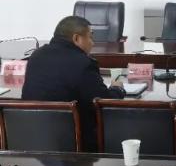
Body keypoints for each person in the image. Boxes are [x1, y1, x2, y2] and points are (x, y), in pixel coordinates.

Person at [22, 16, 125, 152]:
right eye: (90, 37)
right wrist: (117, 88)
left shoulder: (36, 55)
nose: (93, 43)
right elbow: (103, 102)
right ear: (76, 38)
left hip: (32, 139)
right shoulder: (82, 63)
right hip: (74, 143)